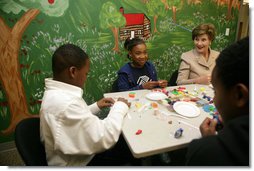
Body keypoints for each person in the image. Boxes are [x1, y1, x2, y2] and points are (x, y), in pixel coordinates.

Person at [40, 44, 137, 166]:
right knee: (129, 148)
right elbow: (105, 137)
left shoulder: (55, 94)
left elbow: (72, 118)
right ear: (73, 71)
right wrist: (120, 107)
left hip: (73, 150)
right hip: (79, 163)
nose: (86, 78)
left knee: (123, 140)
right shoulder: (67, 104)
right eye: (86, 74)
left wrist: (96, 106)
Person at [185, 37, 249, 166]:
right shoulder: (187, 56)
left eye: (216, 92)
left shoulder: (204, 152)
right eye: (196, 39)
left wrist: (209, 144)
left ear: (239, 95)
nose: (214, 100)